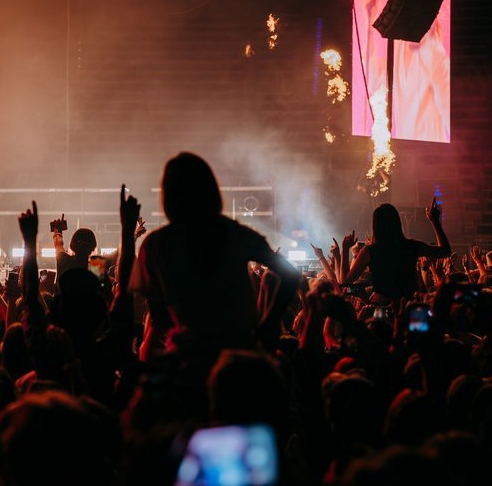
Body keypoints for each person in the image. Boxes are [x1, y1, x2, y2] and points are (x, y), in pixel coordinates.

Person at [129, 152, 300, 372]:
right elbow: (290, 274)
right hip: (238, 357)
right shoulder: (235, 234)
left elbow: (158, 314)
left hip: (186, 360)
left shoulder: (157, 244)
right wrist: (269, 321)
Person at [342, 198, 450, 300]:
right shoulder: (411, 246)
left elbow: (346, 283)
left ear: (375, 226)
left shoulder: (369, 251)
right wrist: (435, 221)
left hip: (383, 308)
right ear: (397, 223)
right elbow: (445, 251)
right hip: (408, 306)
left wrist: (346, 250)